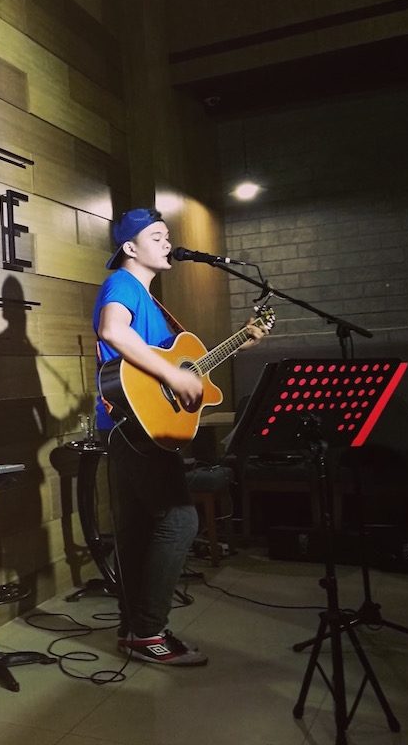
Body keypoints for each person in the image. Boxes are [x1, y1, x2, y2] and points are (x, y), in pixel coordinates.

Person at [93, 207, 265, 666]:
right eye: (156, 236)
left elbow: (183, 366)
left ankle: (135, 631)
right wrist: (173, 374)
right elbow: (112, 330)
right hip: (136, 426)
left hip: (140, 427)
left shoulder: (151, 303)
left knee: (136, 530)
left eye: (167, 235)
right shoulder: (123, 284)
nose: (167, 243)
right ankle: (150, 630)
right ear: (130, 248)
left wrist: (240, 340)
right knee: (180, 520)